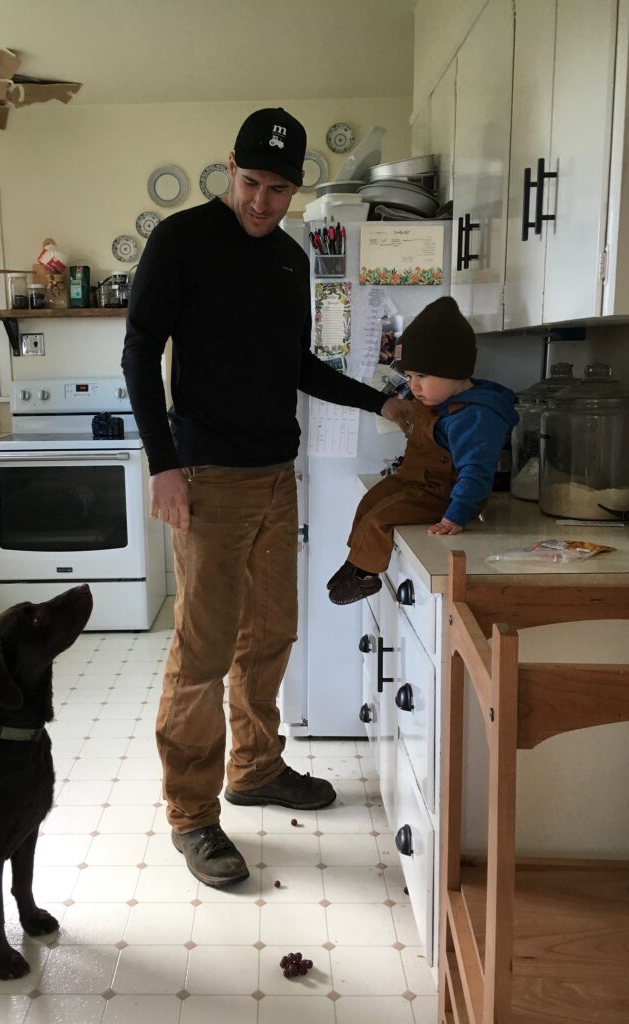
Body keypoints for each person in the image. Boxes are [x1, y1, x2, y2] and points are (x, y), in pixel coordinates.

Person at [121, 107, 390, 888]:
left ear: (296, 191)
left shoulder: (289, 259)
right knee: (201, 654)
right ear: (228, 167)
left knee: (272, 632)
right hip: (205, 478)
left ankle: (256, 768)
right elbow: (141, 351)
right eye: (251, 183)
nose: (262, 202)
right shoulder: (181, 240)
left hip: (278, 474)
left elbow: (296, 364)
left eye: (279, 190)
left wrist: (385, 404)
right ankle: (193, 815)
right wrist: (161, 463)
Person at [327, 296, 519, 605]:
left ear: (455, 370)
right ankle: (356, 562)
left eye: (423, 377)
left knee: (382, 516)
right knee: (369, 502)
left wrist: (456, 516)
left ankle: (366, 576)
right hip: (415, 480)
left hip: (443, 495)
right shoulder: (437, 404)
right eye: (412, 376)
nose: (414, 387)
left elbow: (476, 471)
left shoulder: (474, 416)